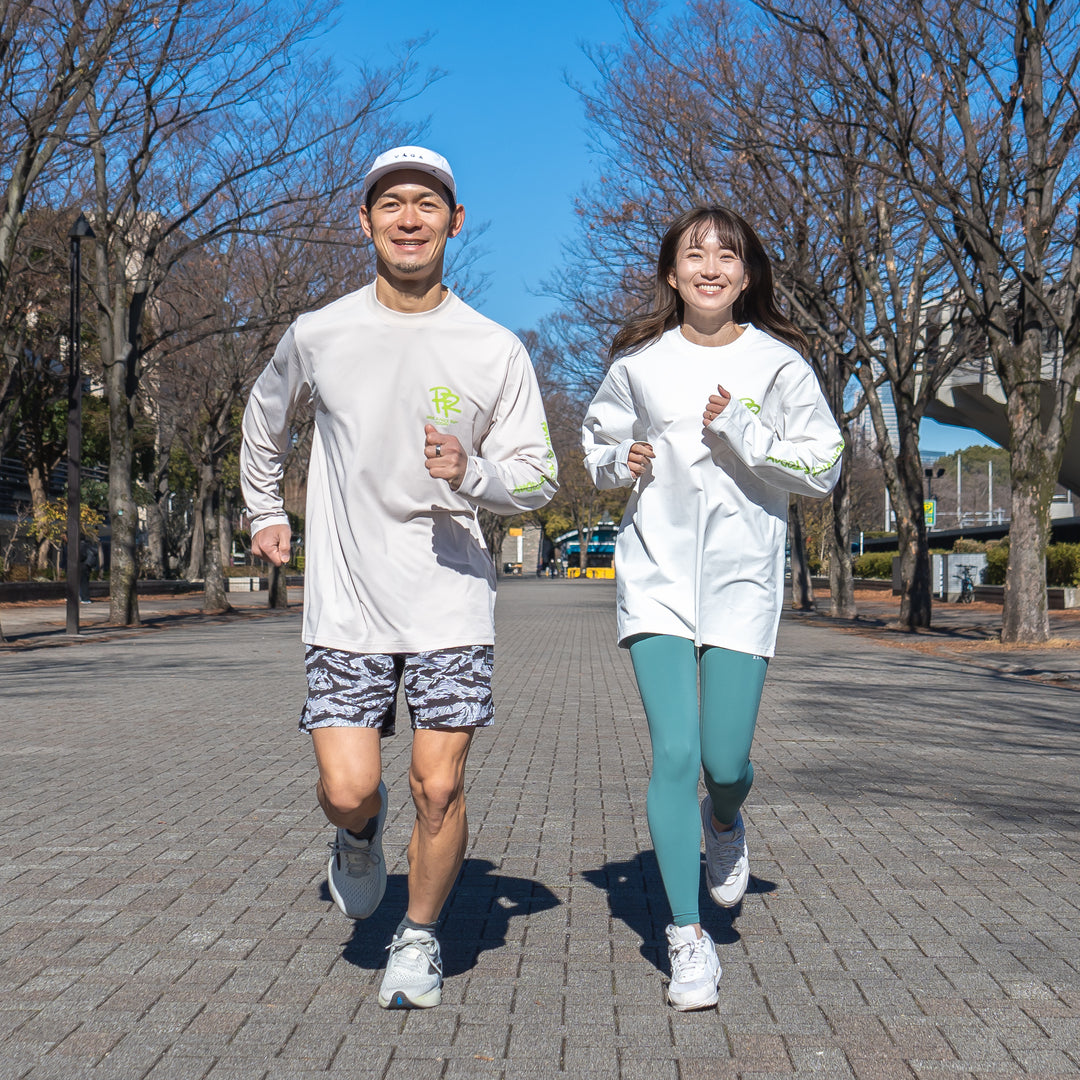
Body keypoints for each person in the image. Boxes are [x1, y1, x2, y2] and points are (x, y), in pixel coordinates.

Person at [240, 145, 557, 1010]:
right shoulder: (318, 332)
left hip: (450, 598)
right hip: (346, 599)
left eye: (426, 204)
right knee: (351, 789)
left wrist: (475, 473)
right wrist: (265, 510)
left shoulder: (494, 348)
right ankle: (357, 837)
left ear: (455, 223)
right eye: (391, 204)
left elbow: (540, 477)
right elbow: (263, 422)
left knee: (440, 783)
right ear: (365, 222)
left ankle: (418, 937)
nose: (408, 218)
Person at [582, 206, 842, 1011]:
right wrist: (613, 459)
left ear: (747, 274)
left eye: (727, 254)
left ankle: (724, 818)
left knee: (724, 764)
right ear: (670, 273)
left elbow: (825, 465)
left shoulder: (780, 364)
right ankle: (686, 940)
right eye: (694, 254)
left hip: (741, 585)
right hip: (656, 578)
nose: (710, 265)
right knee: (673, 752)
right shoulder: (638, 363)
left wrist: (745, 429)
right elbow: (594, 448)